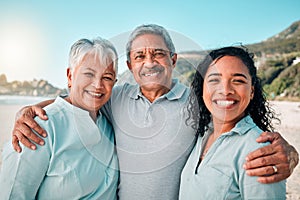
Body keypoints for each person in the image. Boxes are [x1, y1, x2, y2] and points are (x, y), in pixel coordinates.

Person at [10, 24, 299, 200]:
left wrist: (289, 153)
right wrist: (33, 109)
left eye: (158, 53)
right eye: (140, 56)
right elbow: (81, 97)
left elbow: (234, 118)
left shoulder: (196, 101)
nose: (150, 62)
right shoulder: (116, 97)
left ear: (173, 59)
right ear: (131, 65)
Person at [0, 38, 119, 199]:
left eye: (107, 77)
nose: (98, 85)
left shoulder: (110, 121)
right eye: (89, 74)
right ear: (70, 76)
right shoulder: (37, 128)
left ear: (114, 83)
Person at [180, 46, 286, 199]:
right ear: (202, 88)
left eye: (237, 80)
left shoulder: (258, 151)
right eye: (214, 80)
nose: (225, 90)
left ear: (251, 91)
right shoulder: (200, 135)